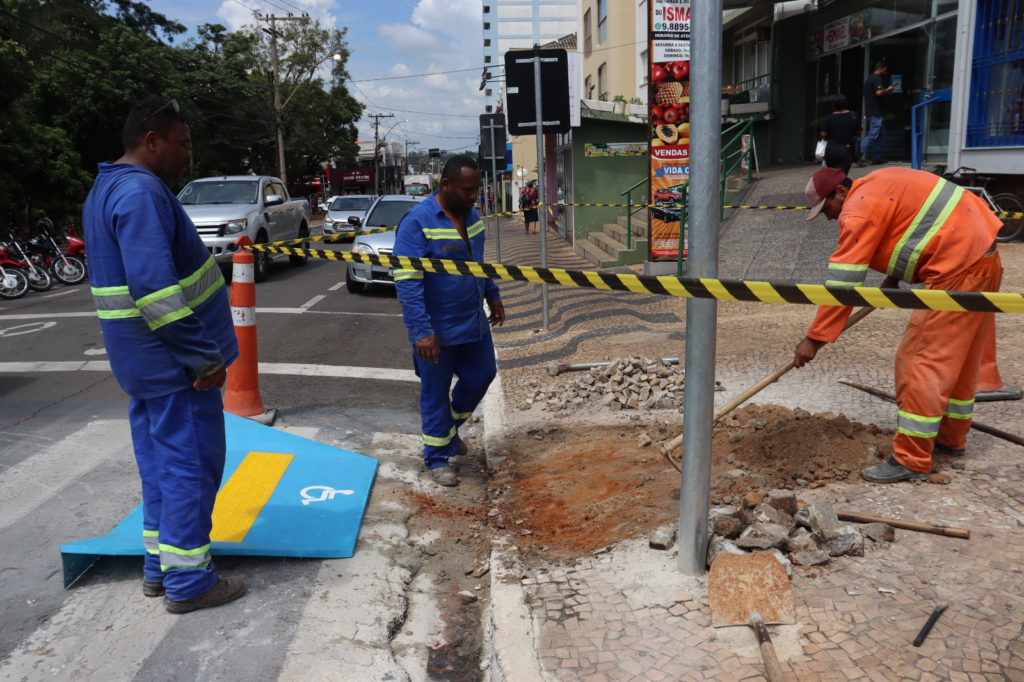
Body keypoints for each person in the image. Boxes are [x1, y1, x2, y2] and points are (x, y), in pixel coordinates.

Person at [82, 95, 245, 612]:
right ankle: (191, 583)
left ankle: (160, 568)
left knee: (162, 468)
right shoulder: (142, 193)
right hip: (177, 367)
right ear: (151, 141)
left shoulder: (107, 188)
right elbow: (154, 291)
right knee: (190, 471)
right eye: (182, 144)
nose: (188, 156)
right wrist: (205, 358)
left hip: (144, 364)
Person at [794, 167, 1003, 483]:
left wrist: (814, 339)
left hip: (957, 269)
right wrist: (893, 277)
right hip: (983, 257)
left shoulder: (857, 211)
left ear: (840, 192)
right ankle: (950, 438)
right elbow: (911, 225)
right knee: (958, 359)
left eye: (827, 210)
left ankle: (912, 458)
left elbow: (842, 287)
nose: (829, 218)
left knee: (919, 360)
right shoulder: (877, 183)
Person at [392, 155, 506, 487]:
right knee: (435, 393)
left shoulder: (472, 216)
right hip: (436, 330)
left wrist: (493, 294)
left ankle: (448, 429)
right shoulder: (417, 222)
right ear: (446, 185)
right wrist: (422, 331)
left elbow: (478, 262)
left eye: (476, 189)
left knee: (483, 374)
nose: (474, 196)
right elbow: (408, 282)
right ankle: (437, 458)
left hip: (473, 322)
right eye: (468, 190)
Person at [858, 62, 896, 167]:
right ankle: (857, 155)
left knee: (881, 134)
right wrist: (888, 90)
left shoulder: (869, 79)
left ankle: (876, 157)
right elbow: (879, 93)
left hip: (872, 111)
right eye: (885, 70)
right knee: (873, 135)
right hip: (875, 112)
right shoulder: (876, 78)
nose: (886, 72)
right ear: (879, 68)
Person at [820, 94, 862, 175]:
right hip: (845, 150)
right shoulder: (853, 115)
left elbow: (823, 135)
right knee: (842, 176)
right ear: (845, 103)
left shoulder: (828, 118)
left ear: (833, 105)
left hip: (830, 150)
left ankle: (833, 187)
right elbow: (859, 131)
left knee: (832, 176)